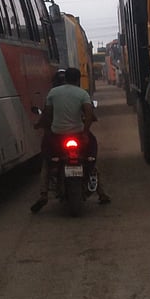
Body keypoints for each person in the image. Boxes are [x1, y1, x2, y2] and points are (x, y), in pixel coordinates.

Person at [31, 67, 110, 213]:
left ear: (65, 79)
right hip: (79, 134)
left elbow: (47, 115)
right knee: (90, 159)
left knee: (47, 163)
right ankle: (102, 193)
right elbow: (89, 113)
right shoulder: (82, 93)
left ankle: (43, 195)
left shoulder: (53, 93)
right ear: (78, 79)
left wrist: (39, 125)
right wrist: (85, 132)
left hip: (57, 136)